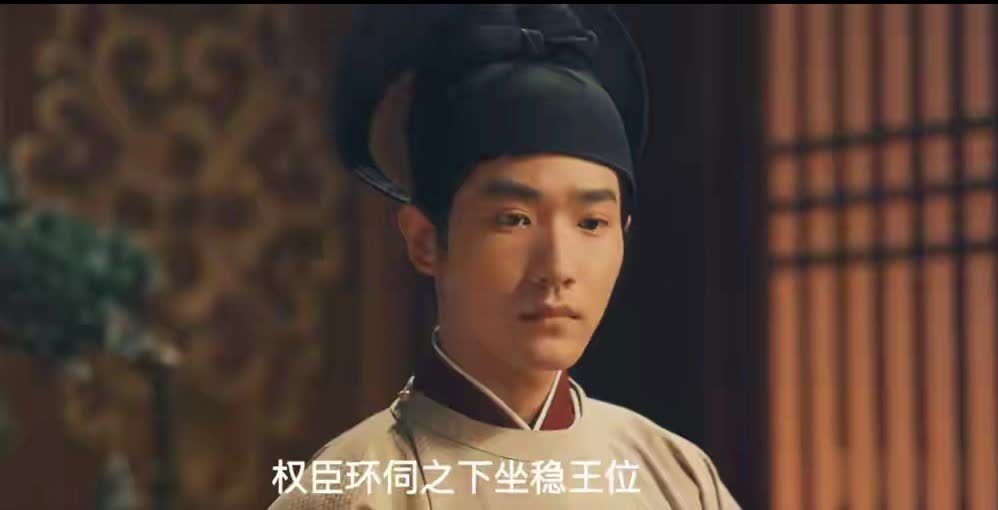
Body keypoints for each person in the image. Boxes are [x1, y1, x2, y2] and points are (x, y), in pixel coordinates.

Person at [268, 5, 740, 509]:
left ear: (623, 235)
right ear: (425, 240)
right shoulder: (353, 489)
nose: (557, 268)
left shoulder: (675, 475)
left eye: (590, 223)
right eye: (514, 219)